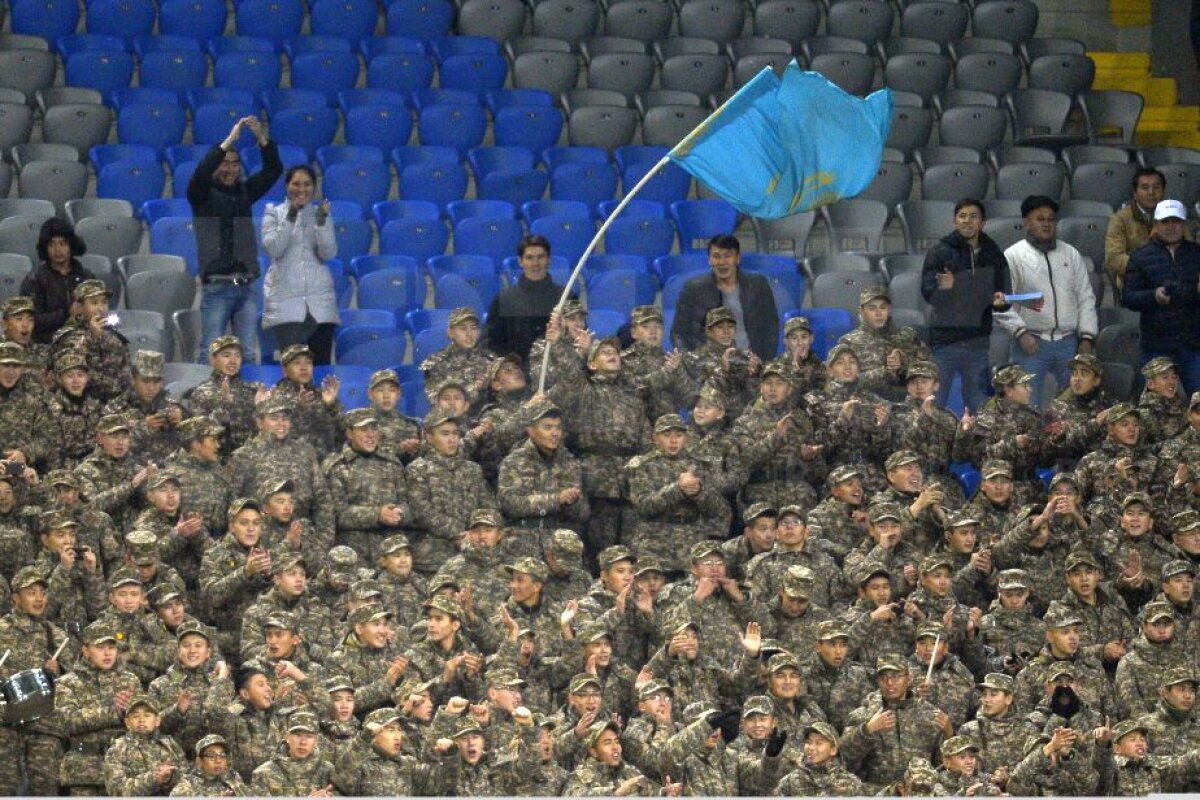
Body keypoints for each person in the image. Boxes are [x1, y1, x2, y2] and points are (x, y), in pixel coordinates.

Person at [187, 116, 282, 363]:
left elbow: (273, 171)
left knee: (248, 354)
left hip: (247, 286)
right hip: (217, 287)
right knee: (211, 351)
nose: (229, 169)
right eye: (224, 163)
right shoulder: (201, 195)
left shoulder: (244, 192)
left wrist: (262, 140)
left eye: (235, 164)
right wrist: (228, 142)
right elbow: (201, 173)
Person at [993, 195, 1098, 407]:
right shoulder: (1013, 256)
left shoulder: (1071, 254)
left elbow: (1085, 297)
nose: (1047, 223)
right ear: (1026, 222)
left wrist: (1087, 337)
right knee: (1027, 405)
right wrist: (1020, 333)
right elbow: (1000, 303)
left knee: (1074, 405)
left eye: (1051, 219)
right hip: (1031, 342)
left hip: (1069, 343)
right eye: (1040, 219)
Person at [920, 198, 1012, 411]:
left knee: (979, 408)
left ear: (982, 222)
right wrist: (947, 289)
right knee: (934, 405)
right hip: (944, 343)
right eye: (962, 216)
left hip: (977, 344)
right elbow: (928, 294)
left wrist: (1000, 303)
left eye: (973, 216)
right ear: (954, 221)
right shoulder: (940, 252)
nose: (967, 221)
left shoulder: (993, 254)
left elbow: (1005, 296)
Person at [260, 165, 339, 364]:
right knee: (294, 369)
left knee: (320, 368)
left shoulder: (321, 213)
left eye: (307, 184)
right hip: (287, 304)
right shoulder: (273, 213)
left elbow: (328, 253)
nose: (301, 189)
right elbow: (274, 249)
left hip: (319, 305)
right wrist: (291, 215)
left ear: (314, 188)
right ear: (287, 186)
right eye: (296, 184)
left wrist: (321, 222)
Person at [1121, 198, 1200, 394]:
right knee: (1152, 404)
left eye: (1176, 221)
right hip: (1156, 343)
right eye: (1165, 222)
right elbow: (1128, 297)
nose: (1171, 227)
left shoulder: (1197, 254)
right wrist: (1153, 296)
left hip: (1193, 342)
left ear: (1183, 224)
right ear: (1156, 224)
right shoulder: (1140, 256)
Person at [671, 233, 779, 361]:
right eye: (716, 256)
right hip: (709, 366)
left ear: (738, 258)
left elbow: (770, 327)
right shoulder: (693, 289)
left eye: (728, 256)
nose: (722, 262)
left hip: (751, 363)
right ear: (709, 259)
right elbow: (678, 333)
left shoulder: (758, 285)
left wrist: (763, 362)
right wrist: (694, 362)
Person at [485, 234, 565, 368]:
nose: (535, 263)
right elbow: (492, 343)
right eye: (529, 258)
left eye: (541, 257)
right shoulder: (504, 299)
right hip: (517, 374)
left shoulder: (565, 297)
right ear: (520, 261)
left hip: (559, 371)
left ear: (549, 259)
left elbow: (577, 337)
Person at [20, 217, 94, 344]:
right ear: (45, 248)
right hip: (47, 345)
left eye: (62, 243)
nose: (57, 249)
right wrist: (66, 312)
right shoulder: (34, 280)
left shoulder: (86, 277)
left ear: (71, 245)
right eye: (51, 244)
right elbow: (32, 320)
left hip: (84, 343)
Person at [1104, 166, 1167, 295]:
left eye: (1156, 187)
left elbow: (1187, 250)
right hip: (1135, 280)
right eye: (1145, 187)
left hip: (1169, 277)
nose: (1151, 192)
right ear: (1135, 192)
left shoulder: (1173, 216)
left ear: (1163, 191)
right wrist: (1147, 268)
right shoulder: (1120, 219)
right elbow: (1114, 258)